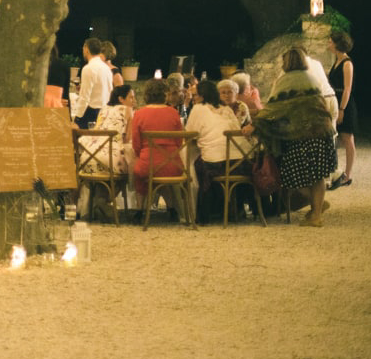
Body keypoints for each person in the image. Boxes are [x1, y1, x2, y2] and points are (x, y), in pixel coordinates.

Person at [248, 48, 336, 227]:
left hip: (299, 135)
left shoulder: (285, 81)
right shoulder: (311, 78)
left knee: (290, 176)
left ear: (286, 62)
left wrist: (254, 124)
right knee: (318, 175)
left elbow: (273, 108)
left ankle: (315, 208)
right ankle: (316, 213)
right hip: (321, 131)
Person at [75, 84, 135, 221]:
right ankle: (103, 202)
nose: (133, 101)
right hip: (109, 158)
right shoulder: (128, 111)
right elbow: (128, 139)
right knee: (126, 168)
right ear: (121, 99)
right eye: (131, 97)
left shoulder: (103, 109)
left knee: (104, 169)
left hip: (87, 157)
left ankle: (98, 202)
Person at [185, 80, 242, 224]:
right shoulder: (227, 109)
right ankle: (230, 209)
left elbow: (190, 134)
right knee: (208, 157)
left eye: (196, 95)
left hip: (218, 164)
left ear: (202, 96)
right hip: (241, 162)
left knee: (198, 163)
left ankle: (206, 213)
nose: (194, 99)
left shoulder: (198, 108)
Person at [128, 78, 184, 217]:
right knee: (162, 174)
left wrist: (141, 155)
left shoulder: (139, 113)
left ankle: (140, 210)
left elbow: (136, 143)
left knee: (141, 171)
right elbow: (179, 141)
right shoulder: (173, 112)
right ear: (165, 94)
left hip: (149, 163)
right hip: (173, 164)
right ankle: (172, 209)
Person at [327, 30, 358, 190]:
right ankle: (337, 173)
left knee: (347, 138)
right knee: (336, 138)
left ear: (338, 44)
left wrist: (342, 109)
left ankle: (348, 174)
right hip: (335, 100)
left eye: (330, 41)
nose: (328, 43)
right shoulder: (336, 61)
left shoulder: (347, 63)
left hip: (344, 103)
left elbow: (347, 89)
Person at [71, 38, 112, 129]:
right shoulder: (107, 68)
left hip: (91, 113)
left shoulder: (88, 68)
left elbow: (84, 96)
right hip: (104, 111)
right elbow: (110, 90)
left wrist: (78, 117)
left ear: (86, 49)